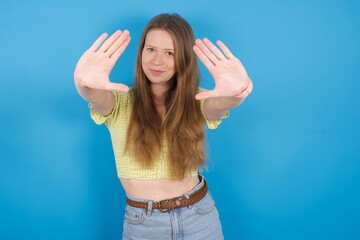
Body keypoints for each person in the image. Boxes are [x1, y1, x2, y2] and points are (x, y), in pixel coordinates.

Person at [74, 13, 253, 240]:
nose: (157, 61)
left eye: (170, 53)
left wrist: (238, 91)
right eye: (151, 50)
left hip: (199, 216)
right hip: (143, 224)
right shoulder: (119, 102)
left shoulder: (197, 100)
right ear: (141, 52)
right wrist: (82, 82)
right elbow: (95, 95)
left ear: (184, 59)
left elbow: (221, 103)